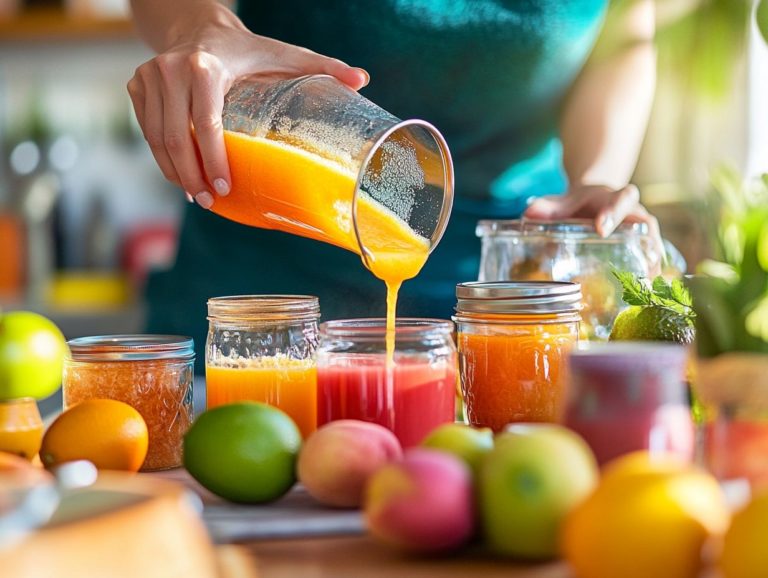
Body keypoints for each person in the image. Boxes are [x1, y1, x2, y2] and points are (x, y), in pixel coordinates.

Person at [128, 0, 661, 367]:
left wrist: (598, 176)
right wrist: (198, 28)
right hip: (263, 294)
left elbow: (625, 36)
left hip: (503, 287)